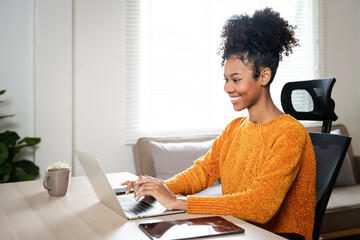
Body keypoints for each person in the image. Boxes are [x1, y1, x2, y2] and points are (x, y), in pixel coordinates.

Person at [122, 8, 316, 240]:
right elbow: (202, 172)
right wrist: (158, 187)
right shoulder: (235, 128)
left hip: (276, 236)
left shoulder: (290, 133)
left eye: (236, 80)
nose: (227, 88)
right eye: (226, 79)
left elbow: (261, 206)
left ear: (263, 77)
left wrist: (177, 202)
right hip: (238, 229)